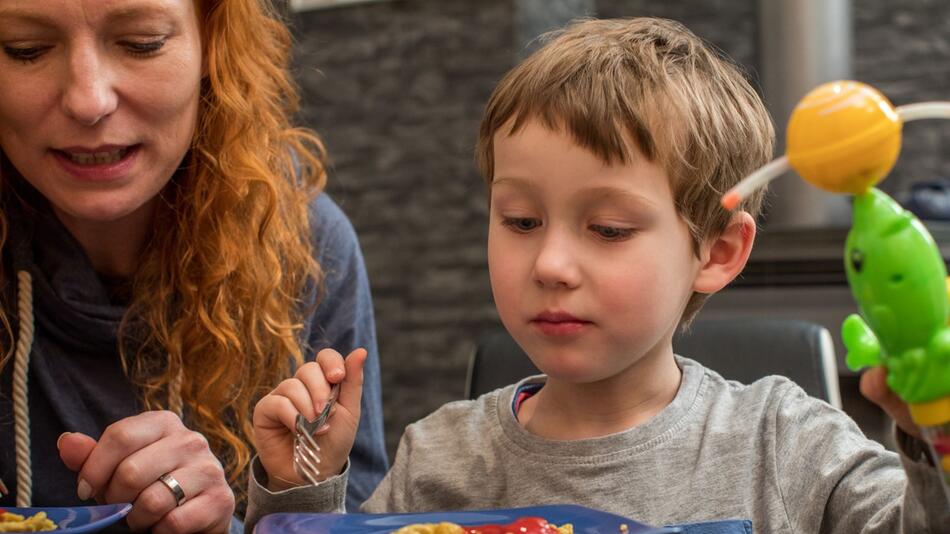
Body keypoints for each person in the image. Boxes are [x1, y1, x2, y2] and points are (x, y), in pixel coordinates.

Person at [245, 17, 950, 533]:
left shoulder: (788, 445)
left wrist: (936, 434)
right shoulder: (440, 457)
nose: (550, 265)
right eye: (520, 221)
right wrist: (298, 491)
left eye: (608, 230)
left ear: (718, 251)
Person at [0, 0, 388, 531]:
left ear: (215, 47)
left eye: (141, 43)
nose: (88, 100)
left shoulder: (301, 246)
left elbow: (358, 514)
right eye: (26, 49)